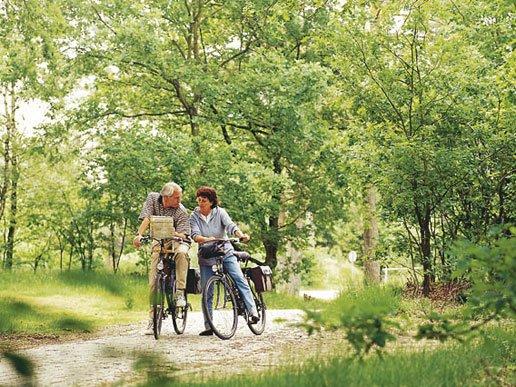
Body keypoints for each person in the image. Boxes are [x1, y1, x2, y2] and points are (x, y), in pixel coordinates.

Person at [190, 186, 259, 336]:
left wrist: (241, 235)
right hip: (206, 253)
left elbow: (230, 226)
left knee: (238, 278)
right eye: (199, 200)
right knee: (207, 290)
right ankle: (209, 326)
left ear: (211, 202)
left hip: (224, 250)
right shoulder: (194, 216)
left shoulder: (220, 212)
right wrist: (205, 239)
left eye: (204, 200)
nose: (201, 203)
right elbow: (194, 234)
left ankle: (252, 311)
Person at [133, 182, 191, 335]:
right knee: (153, 282)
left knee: (182, 254)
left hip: (178, 241)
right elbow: (147, 218)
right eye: (177, 198)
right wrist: (139, 235)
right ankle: (153, 320)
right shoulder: (153, 198)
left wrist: (173, 233)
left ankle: (179, 292)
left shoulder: (181, 210)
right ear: (167, 197)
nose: (180, 200)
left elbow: (185, 234)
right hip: (159, 241)